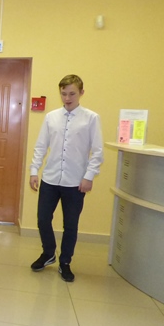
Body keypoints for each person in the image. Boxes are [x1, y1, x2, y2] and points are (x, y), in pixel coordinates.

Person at [29, 74, 104, 282]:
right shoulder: (51, 117)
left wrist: (89, 176)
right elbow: (41, 146)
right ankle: (48, 253)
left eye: (72, 94)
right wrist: (34, 171)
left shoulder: (91, 118)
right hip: (50, 179)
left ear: (81, 93)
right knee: (43, 219)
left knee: (70, 225)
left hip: (76, 182)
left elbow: (97, 151)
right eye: (64, 94)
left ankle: (65, 262)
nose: (67, 98)